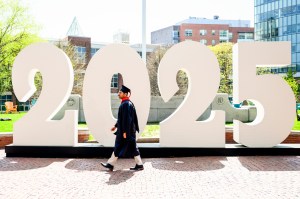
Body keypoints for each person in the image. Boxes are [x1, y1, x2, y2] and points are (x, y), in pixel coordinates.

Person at [101, 85, 144, 171]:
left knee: (124, 146)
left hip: (126, 131)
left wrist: (125, 132)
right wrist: (115, 126)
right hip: (126, 131)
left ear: (125, 94)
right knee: (130, 147)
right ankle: (138, 164)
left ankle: (111, 164)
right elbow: (122, 118)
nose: (118, 94)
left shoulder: (126, 104)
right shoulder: (126, 103)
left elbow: (127, 120)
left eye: (120, 92)